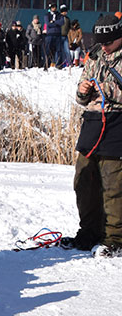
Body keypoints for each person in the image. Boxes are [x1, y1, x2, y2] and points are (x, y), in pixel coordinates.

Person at [60, 14, 122, 256]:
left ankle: (115, 238)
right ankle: (89, 232)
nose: (104, 47)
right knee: (83, 181)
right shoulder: (95, 54)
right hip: (92, 122)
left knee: (113, 185)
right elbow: (80, 95)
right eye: (102, 42)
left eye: (109, 42)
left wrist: (104, 89)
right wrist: (83, 91)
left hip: (118, 123)